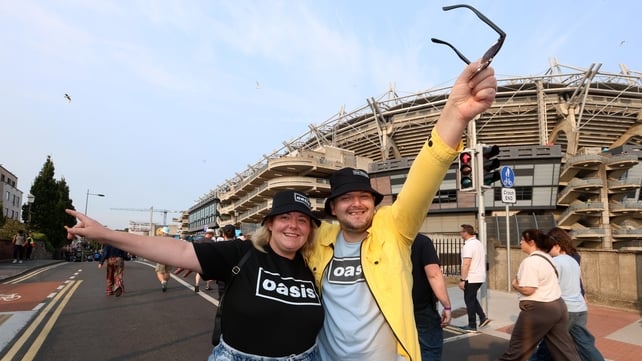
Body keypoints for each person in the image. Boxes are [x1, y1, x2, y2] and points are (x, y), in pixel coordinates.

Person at [305, 61, 497, 361]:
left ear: (374, 202)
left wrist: (455, 115)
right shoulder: (318, 239)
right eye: (346, 199)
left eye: (363, 197)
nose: (356, 204)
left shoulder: (392, 228)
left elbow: (422, 179)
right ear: (333, 207)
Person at [65, 189, 324, 361]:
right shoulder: (241, 252)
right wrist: (106, 235)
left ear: (310, 229)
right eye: (285, 217)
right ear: (269, 223)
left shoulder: (314, 263)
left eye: (302, 220)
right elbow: (179, 249)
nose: (293, 225)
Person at [498, 229, 581, 361]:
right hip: (558, 307)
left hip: (539, 309)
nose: (520, 242)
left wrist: (515, 285)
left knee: (517, 351)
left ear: (531, 242)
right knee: (564, 351)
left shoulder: (531, 262)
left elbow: (528, 290)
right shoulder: (548, 258)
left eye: (522, 240)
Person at [530, 228, 605, 361]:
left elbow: (547, 287)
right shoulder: (573, 261)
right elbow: (579, 281)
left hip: (564, 311)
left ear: (557, 246)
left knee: (547, 346)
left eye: (549, 247)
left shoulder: (555, 263)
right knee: (585, 345)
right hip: (580, 309)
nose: (547, 250)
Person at [411, 233, 452, 361]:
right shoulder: (421, 241)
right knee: (429, 349)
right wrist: (447, 306)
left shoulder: (382, 240)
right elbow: (434, 274)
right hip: (421, 307)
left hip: (391, 309)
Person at [458, 223, 490, 332]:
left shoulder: (468, 245)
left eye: (461, 231)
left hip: (471, 277)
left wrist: (462, 280)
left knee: (469, 300)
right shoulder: (479, 243)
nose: (460, 233)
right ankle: (482, 317)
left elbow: (466, 264)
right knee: (471, 298)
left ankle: (472, 325)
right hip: (480, 277)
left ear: (466, 233)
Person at [194, 228, 217, 293]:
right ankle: (208, 286)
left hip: (199, 259)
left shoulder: (199, 241)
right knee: (210, 273)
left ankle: (196, 285)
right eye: (212, 234)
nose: (212, 236)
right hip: (208, 259)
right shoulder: (212, 242)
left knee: (198, 272)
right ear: (210, 234)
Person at [155, 226, 174, 292]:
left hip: (161, 257)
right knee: (167, 271)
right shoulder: (171, 239)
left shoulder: (159, 239)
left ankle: (163, 281)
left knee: (159, 271)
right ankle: (165, 281)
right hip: (169, 257)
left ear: (162, 232)